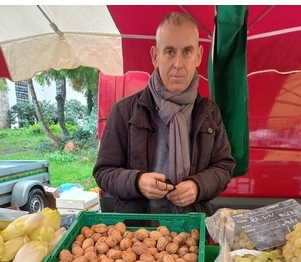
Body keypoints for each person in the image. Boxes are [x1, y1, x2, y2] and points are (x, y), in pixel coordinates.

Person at [94, 12, 235, 215]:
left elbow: (224, 167)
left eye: (187, 51)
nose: (178, 64)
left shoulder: (209, 112)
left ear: (199, 56)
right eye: (169, 51)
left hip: (192, 227)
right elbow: (104, 172)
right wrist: (137, 182)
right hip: (138, 231)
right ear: (155, 56)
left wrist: (197, 186)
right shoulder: (124, 111)